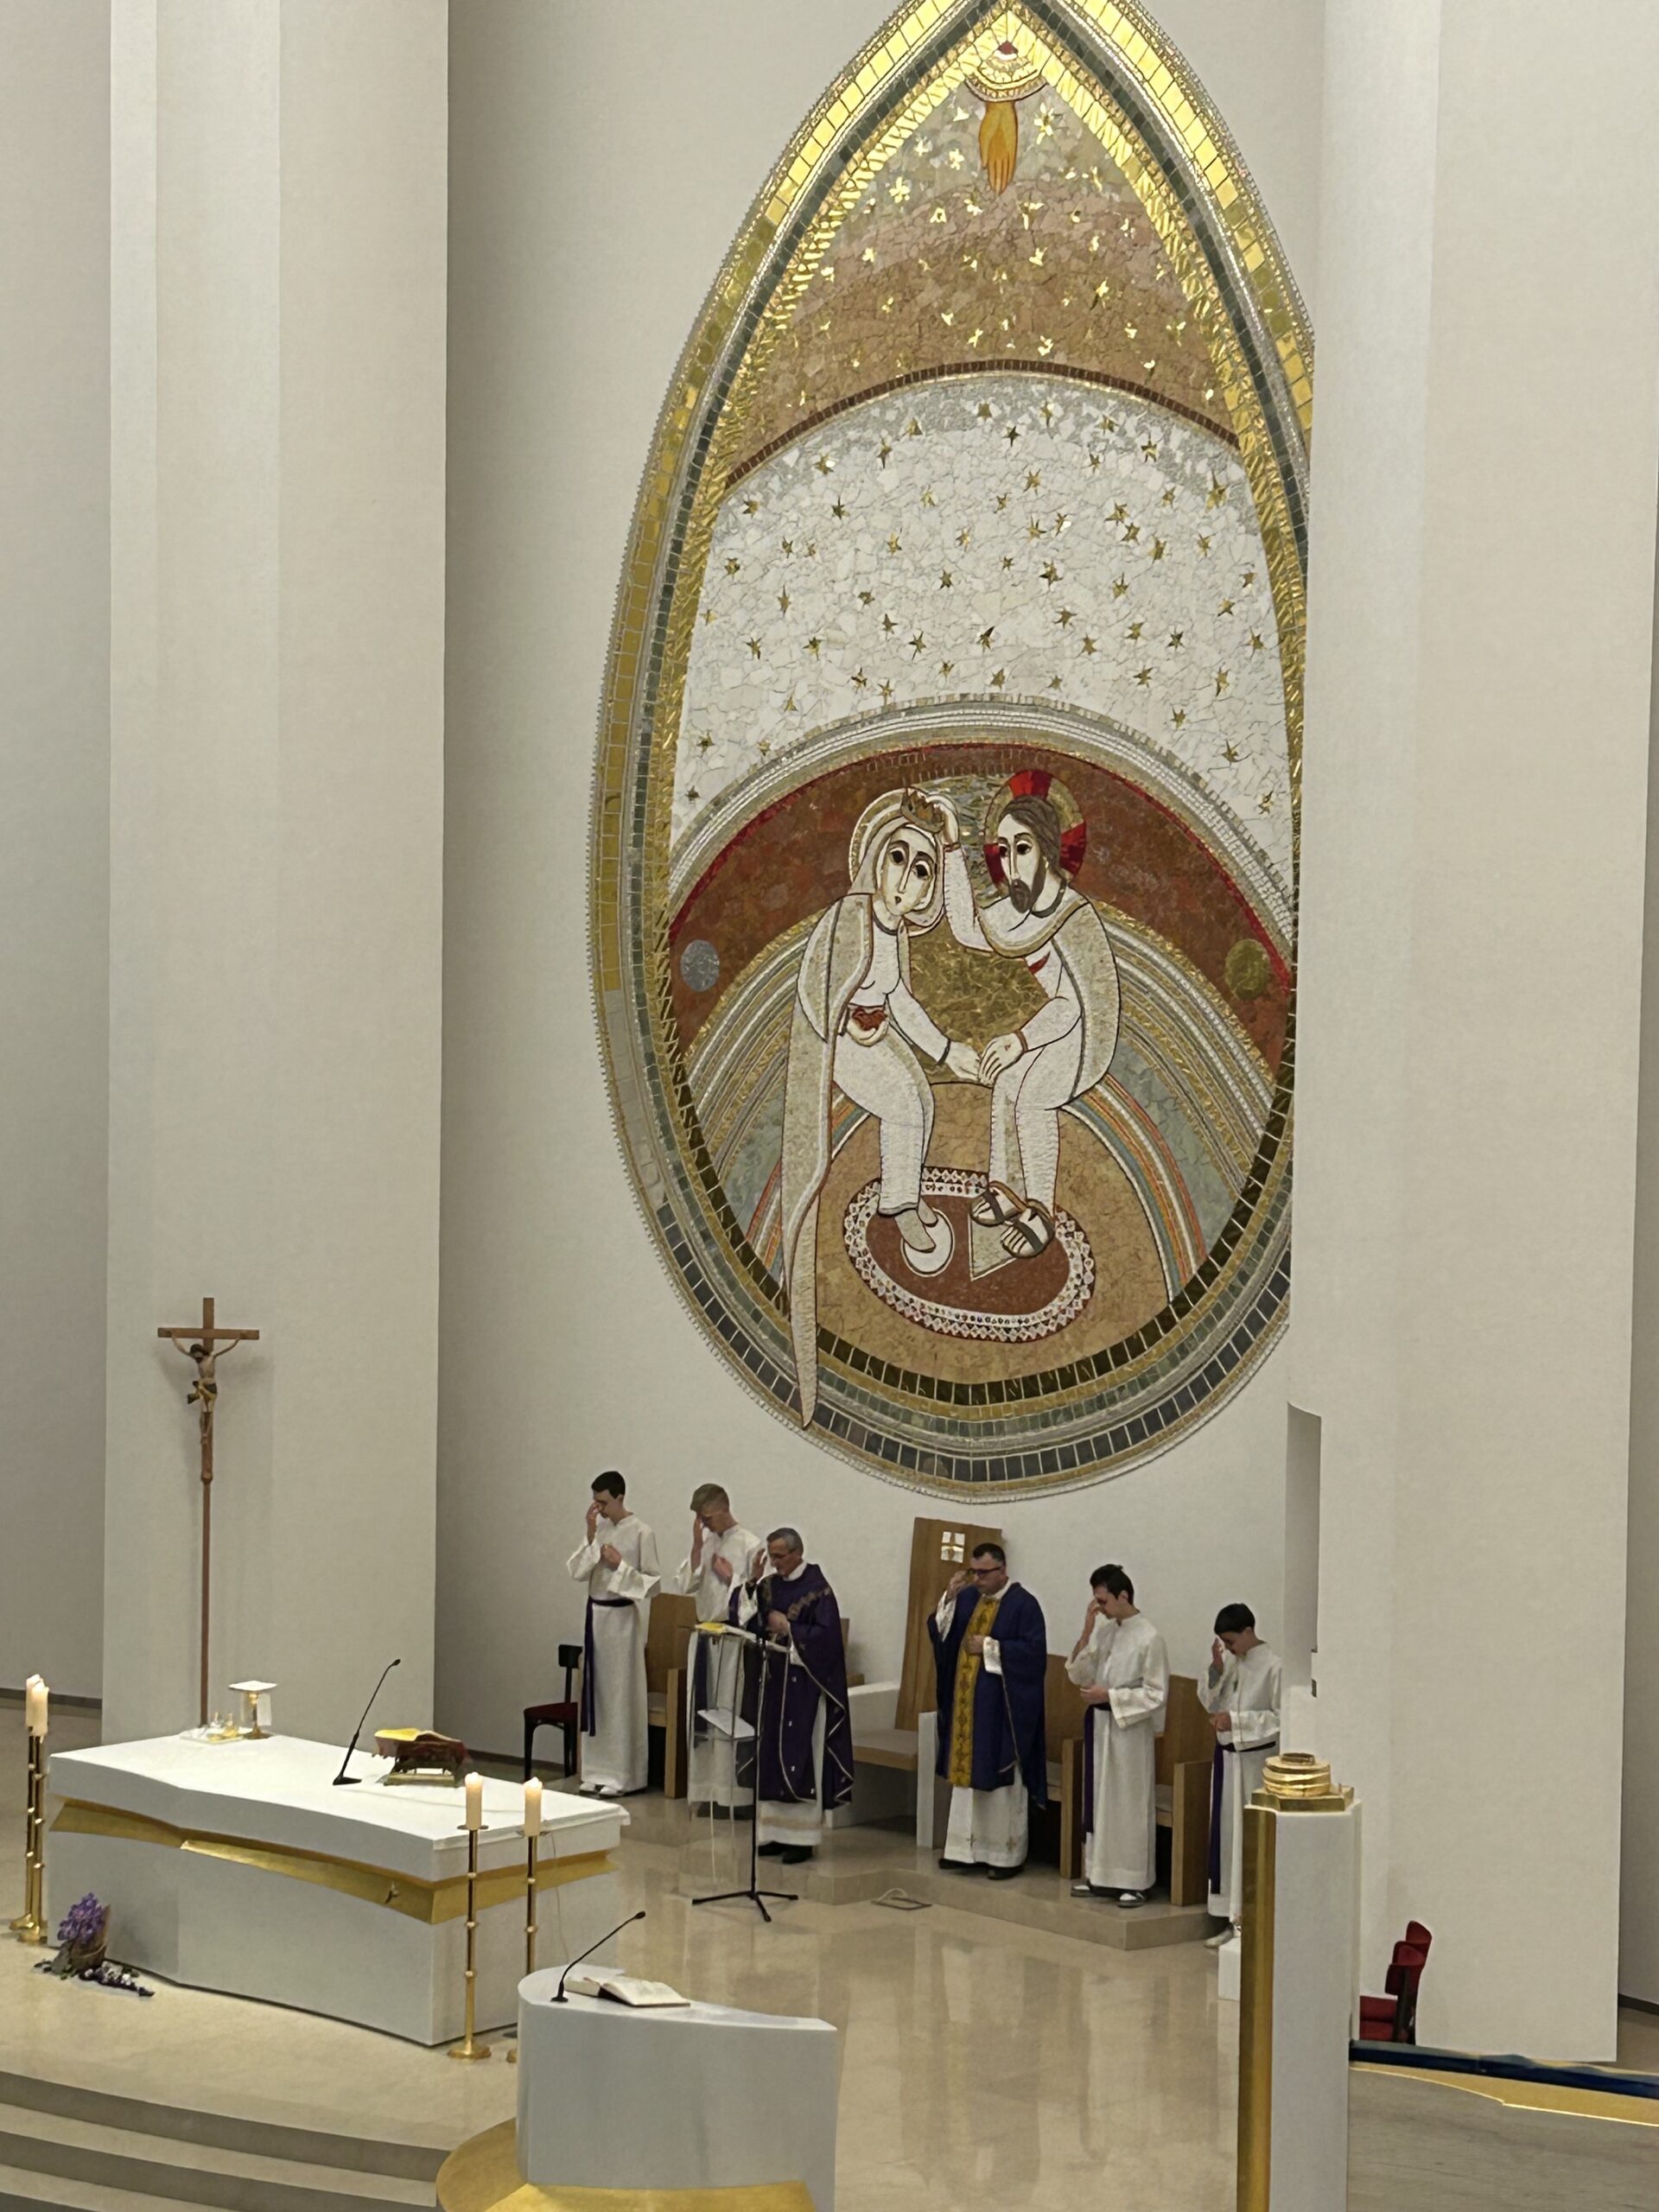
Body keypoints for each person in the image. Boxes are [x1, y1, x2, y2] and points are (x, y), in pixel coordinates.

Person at [780, 788, 980, 1423]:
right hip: (839, 1046)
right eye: (898, 858)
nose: (906, 880)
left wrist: (948, 1051)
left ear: (926, 890)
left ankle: (901, 1198)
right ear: (875, 858)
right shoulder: (850, 920)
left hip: (876, 1035)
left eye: (922, 870)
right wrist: (846, 1027)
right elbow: (821, 996)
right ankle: (901, 1207)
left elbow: (903, 1004)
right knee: (904, 1108)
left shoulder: (893, 932)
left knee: (921, 1101)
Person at [933, 774, 1122, 1263]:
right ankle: (1006, 1189)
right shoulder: (1022, 909)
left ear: (1049, 851)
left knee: (1032, 1095)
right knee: (1007, 1083)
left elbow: (1075, 1005)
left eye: (1023, 849)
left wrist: (1019, 1039)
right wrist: (951, 846)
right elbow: (969, 928)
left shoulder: (1073, 916)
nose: (1013, 866)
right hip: (1050, 1024)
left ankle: (1040, 1210)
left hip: (1085, 1032)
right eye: (1005, 851)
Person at [730, 1526, 854, 1863]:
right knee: (770, 1755)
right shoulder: (768, 1586)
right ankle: (772, 1833)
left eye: (780, 1557)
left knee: (799, 1758)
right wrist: (751, 1582)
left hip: (803, 1688)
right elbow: (744, 1619)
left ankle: (801, 1839)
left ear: (798, 1553)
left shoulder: (818, 1590)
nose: (775, 1563)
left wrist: (789, 1628)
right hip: (772, 1683)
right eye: (771, 1556)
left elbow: (828, 1641)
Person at [928, 1542, 1046, 1878]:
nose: (977, 1579)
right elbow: (941, 1635)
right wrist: (949, 1600)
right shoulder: (968, 1598)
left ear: (1002, 1571)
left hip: (1001, 1713)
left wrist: (991, 1647)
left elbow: (1034, 1655)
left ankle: (1002, 1856)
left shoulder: (1023, 1604)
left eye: (983, 1573)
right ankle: (962, 1850)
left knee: (999, 1782)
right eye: (974, 1572)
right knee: (966, 1783)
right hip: (967, 1708)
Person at [1066, 1564, 1168, 1906]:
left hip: (1128, 1732)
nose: (1100, 1608)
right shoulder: (1107, 1631)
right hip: (1100, 1727)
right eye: (1096, 1601)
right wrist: (1087, 1630)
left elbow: (1156, 1695)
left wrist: (1109, 1696)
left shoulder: (1149, 1637)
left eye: (1103, 1601)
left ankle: (1133, 1880)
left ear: (1123, 1596)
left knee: (1126, 1804)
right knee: (1100, 1801)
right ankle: (1098, 1875)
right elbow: (1079, 1675)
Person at [566, 1471, 660, 1796]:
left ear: (620, 1497)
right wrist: (591, 1534)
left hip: (622, 1622)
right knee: (597, 1694)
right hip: (597, 1618)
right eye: (595, 1502)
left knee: (619, 1695)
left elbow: (653, 1585)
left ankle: (623, 1775)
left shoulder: (642, 1532)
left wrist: (620, 1565)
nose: (599, 1508)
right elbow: (577, 1572)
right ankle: (595, 1770)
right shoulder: (600, 1528)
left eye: (603, 1502)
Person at [669, 1482, 760, 1810]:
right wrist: (697, 1547)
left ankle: (731, 1795)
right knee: (702, 1714)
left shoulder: (751, 1545)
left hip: (732, 1642)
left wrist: (732, 1577)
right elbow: (685, 1584)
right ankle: (706, 1791)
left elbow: (755, 1601)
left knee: (726, 1714)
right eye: (699, 1520)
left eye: (707, 1518)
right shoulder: (706, 1543)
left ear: (724, 1508)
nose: (704, 1525)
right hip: (703, 1638)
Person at [1198, 1602, 1281, 1943]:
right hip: (1227, 1762)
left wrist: (1237, 1722)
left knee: (1247, 1841)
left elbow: (1281, 1719)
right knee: (1228, 1841)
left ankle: (1248, 1923)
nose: (1229, 1648)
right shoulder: (1232, 1662)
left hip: (1254, 1766)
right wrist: (1216, 1670)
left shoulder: (1274, 1666)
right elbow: (1211, 1702)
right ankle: (1230, 1918)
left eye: (1231, 1641)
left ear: (1249, 1631)